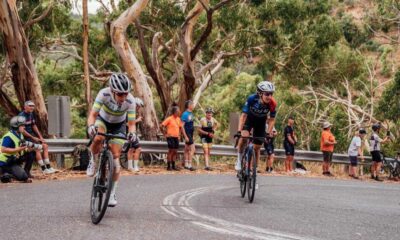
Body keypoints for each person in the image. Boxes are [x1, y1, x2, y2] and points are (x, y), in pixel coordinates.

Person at [86, 72, 137, 207]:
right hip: (102, 120)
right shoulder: (104, 94)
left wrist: (132, 134)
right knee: (98, 138)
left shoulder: (131, 101)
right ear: (112, 90)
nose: (123, 97)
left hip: (118, 126)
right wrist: (91, 126)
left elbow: (131, 124)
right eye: (120, 94)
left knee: (115, 158)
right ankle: (93, 159)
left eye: (126, 93)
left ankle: (112, 191)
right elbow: (93, 115)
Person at [235, 81, 277, 190]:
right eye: (267, 94)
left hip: (261, 123)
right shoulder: (251, 99)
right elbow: (243, 116)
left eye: (271, 94)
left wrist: (268, 132)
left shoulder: (272, 103)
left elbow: (272, 120)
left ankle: (253, 173)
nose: (269, 96)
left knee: (257, 148)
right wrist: (239, 131)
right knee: (244, 138)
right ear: (260, 93)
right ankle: (239, 161)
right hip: (249, 121)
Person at [19, 100, 56, 175]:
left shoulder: (31, 114)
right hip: (25, 136)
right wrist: (33, 137)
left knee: (45, 146)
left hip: (32, 134)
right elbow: (22, 131)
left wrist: (40, 137)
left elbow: (34, 125)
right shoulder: (21, 116)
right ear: (25, 107)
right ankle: (43, 169)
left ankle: (48, 167)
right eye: (30, 106)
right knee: (38, 149)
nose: (32, 107)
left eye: (33, 106)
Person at [0, 116, 32, 183]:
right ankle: (5, 175)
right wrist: (18, 149)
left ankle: (7, 175)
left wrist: (28, 149)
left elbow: (21, 149)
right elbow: (3, 149)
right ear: (16, 126)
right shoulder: (9, 136)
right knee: (9, 177)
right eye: (22, 126)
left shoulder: (20, 134)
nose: (24, 127)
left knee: (24, 177)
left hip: (12, 161)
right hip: (3, 162)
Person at [161, 105, 189, 171]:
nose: (179, 112)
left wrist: (180, 135)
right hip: (170, 137)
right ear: (175, 112)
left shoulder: (179, 119)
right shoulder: (169, 118)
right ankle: (168, 166)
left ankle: (173, 166)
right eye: (178, 111)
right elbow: (161, 126)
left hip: (176, 137)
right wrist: (165, 134)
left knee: (175, 151)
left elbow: (180, 128)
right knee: (171, 151)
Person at [126, 97, 144, 172]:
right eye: (138, 106)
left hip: (132, 133)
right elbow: (127, 124)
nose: (139, 108)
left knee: (131, 149)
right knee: (138, 149)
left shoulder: (133, 112)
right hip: (129, 133)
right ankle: (135, 166)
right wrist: (137, 120)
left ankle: (130, 167)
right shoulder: (129, 112)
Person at [181, 100, 196, 171]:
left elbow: (191, 125)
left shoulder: (191, 114)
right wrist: (185, 136)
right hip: (187, 133)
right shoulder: (185, 114)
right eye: (192, 104)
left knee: (186, 149)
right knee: (193, 149)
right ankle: (190, 165)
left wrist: (193, 135)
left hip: (191, 133)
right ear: (189, 105)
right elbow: (182, 126)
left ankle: (186, 164)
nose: (193, 106)